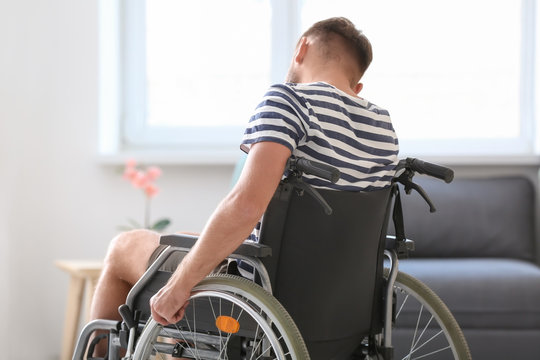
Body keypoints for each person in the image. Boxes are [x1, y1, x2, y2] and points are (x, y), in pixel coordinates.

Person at [89, 16, 398, 358]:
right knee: (192, 240)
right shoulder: (382, 126)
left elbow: (247, 205)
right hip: (340, 305)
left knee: (123, 246)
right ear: (357, 89)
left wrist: (180, 285)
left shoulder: (290, 100)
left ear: (302, 48)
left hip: (264, 295)